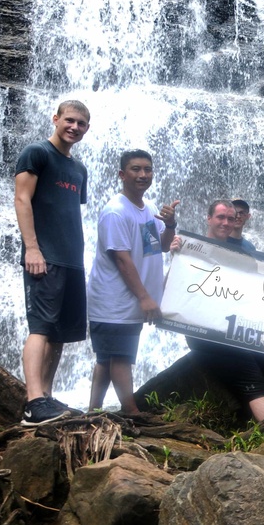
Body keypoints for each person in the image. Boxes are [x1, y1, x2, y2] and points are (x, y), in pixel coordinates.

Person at [172, 200, 264, 422]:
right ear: (209, 218)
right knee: (248, 368)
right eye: (220, 217)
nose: (226, 222)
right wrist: (174, 252)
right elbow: (175, 285)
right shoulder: (189, 247)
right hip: (204, 333)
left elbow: (260, 286)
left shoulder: (242, 251)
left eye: (230, 218)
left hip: (236, 330)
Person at [14, 100, 91, 426]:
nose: (74, 127)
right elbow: (22, 199)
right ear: (56, 118)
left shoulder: (79, 169)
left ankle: (45, 396)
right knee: (41, 327)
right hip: (44, 257)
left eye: (82, 124)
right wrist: (32, 248)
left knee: (59, 333)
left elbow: (70, 212)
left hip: (72, 260)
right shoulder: (37, 153)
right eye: (69, 120)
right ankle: (33, 402)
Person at [87, 150, 178, 414]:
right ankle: (131, 411)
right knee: (121, 356)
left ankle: (93, 410)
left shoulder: (148, 209)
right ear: (121, 174)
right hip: (114, 302)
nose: (143, 175)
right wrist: (145, 297)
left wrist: (170, 224)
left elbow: (157, 247)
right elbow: (122, 260)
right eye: (136, 169)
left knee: (107, 358)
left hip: (130, 303)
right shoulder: (116, 212)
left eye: (147, 169)